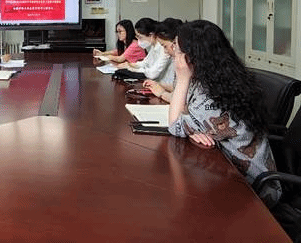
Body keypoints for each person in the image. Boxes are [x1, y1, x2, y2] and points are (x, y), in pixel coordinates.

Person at [168, 20, 281, 207]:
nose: (173, 55)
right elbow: (184, 113)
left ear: (191, 57)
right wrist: (191, 127)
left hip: (252, 190)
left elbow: (174, 125)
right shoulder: (221, 78)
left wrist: (182, 80)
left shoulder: (211, 97)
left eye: (178, 51)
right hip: (227, 172)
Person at [115, 17, 172, 82]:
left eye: (140, 37)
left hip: (162, 83)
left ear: (151, 35)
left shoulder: (163, 48)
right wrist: (130, 65)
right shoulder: (154, 46)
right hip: (154, 81)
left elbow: (153, 74)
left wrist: (131, 69)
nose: (139, 41)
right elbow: (145, 63)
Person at [143, 18, 182, 101]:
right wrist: (158, 85)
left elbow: (181, 100)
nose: (165, 51)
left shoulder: (185, 64)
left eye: (165, 46)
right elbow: (177, 87)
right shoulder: (177, 59)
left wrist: (162, 93)